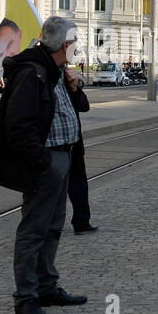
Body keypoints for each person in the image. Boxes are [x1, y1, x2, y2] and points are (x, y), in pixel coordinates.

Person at [0, 16, 88, 314]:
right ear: (65, 45)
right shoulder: (33, 74)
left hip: (63, 157)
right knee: (34, 229)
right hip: (46, 161)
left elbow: (78, 107)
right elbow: (18, 126)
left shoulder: (56, 72)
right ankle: (26, 297)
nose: (76, 48)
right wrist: (40, 162)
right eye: (74, 42)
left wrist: (74, 87)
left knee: (53, 226)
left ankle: (46, 286)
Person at [65, 66, 96, 233]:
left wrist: (74, 87)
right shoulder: (43, 79)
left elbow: (84, 106)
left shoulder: (67, 79)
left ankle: (81, 222)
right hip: (52, 147)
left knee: (78, 185)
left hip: (74, 145)